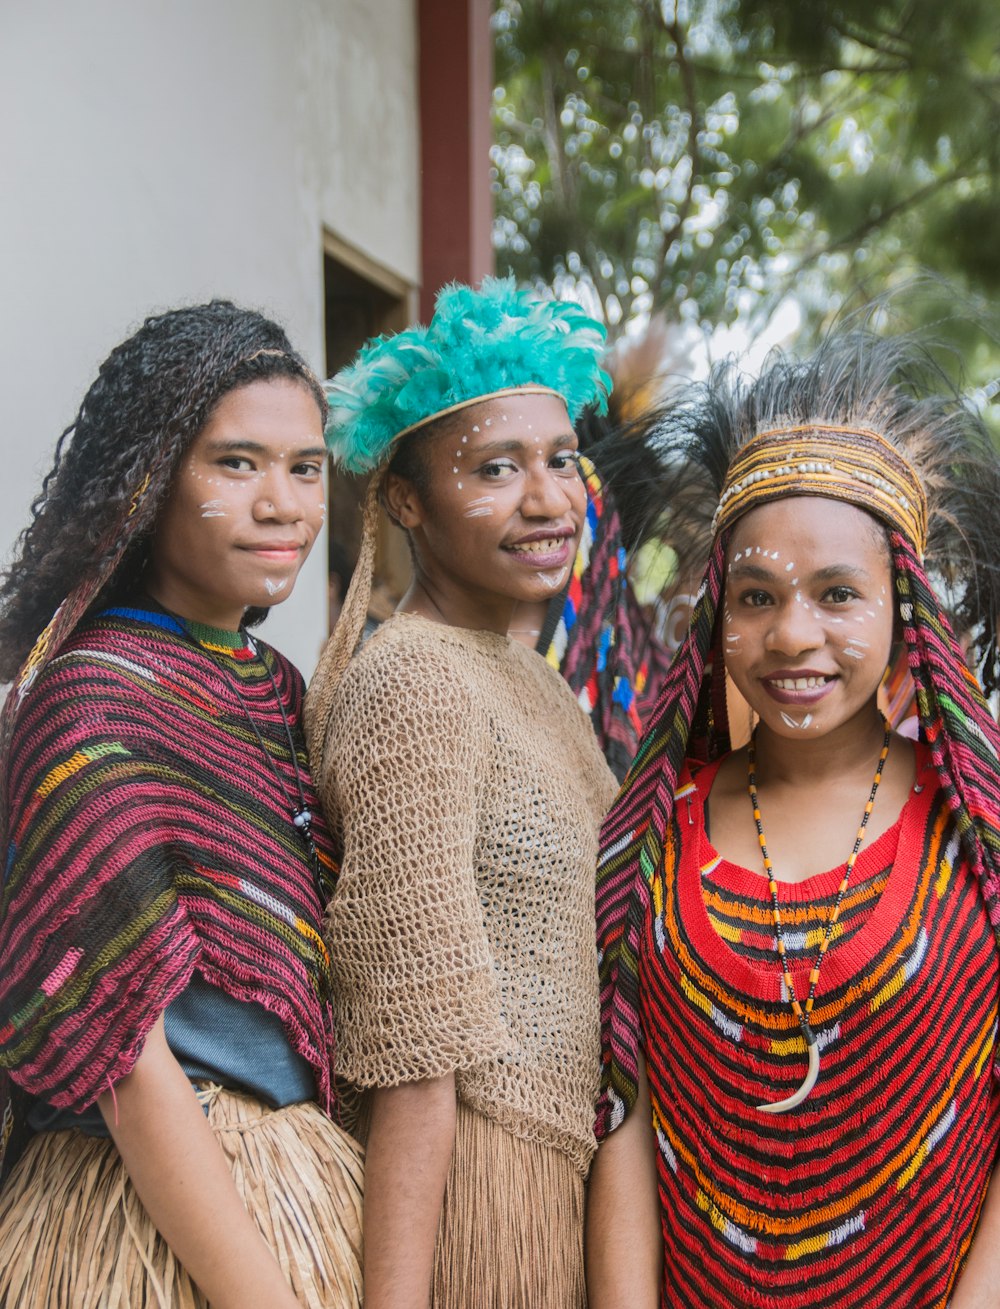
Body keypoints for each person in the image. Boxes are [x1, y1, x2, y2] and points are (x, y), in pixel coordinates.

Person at [586, 332, 1000, 1307]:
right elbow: (624, 1118)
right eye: (756, 597)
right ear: (713, 617)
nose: (793, 635)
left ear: (905, 612)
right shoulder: (650, 837)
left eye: (837, 595)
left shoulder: (978, 837)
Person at [0, 301, 364, 1309]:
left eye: (305, 468)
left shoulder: (277, 686)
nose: (283, 504)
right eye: (236, 464)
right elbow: (124, 1053)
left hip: (300, 1180)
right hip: (151, 1224)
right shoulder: (92, 700)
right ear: (147, 487)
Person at [304, 276, 618, 1309]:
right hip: (479, 1194)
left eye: (560, 460)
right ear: (404, 499)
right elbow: (410, 1037)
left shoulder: (526, 676)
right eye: (495, 469)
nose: (548, 498)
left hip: (565, 1179)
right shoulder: (415, 679)